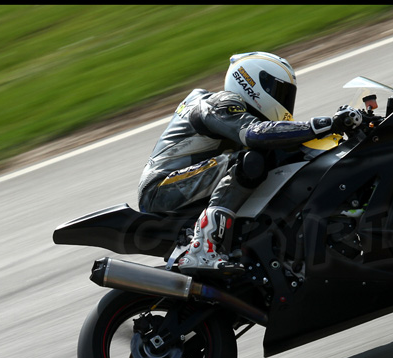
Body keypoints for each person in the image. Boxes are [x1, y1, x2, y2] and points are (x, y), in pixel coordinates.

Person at [137, 52, 362, 276]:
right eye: (279, 92)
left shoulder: (232, 110)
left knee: (269, 159)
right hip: (161, 188)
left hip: (187, 182)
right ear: (252, 82)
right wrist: (326, 124)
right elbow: (255, 134)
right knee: (251, 161)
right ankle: (203, 248)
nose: (284, 102)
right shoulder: (219, 102)